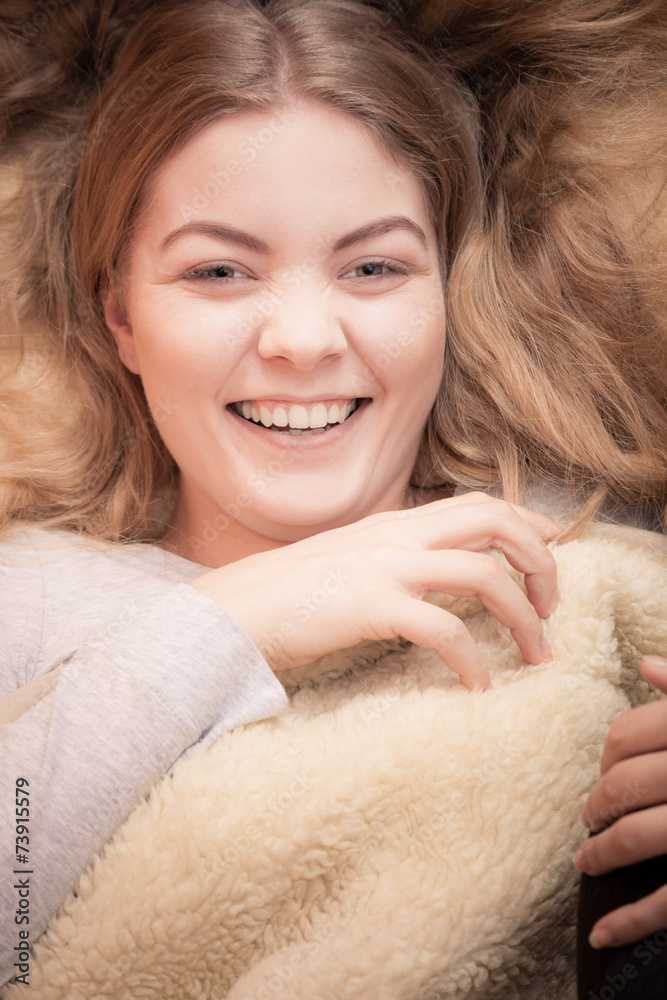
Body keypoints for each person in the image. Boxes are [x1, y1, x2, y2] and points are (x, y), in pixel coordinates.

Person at [0, 0, 665, 993]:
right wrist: (216, 633)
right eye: (220, 269)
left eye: (372, 265)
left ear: (444, 292)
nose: (303, 339)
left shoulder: (583, 564)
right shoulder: (30, 601)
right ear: (121, 317)